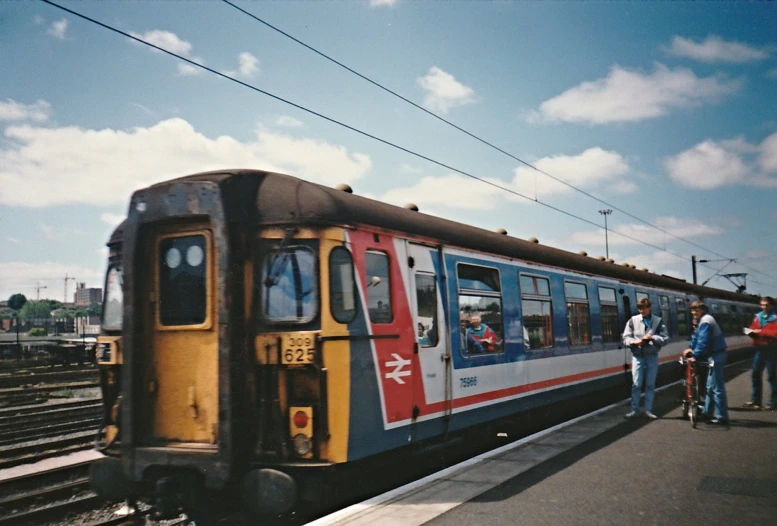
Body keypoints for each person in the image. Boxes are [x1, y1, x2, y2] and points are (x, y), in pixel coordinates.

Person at [683, 300, 728, 425]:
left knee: (716, 388)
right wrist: (691, 348)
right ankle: (707, 413)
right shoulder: (701, 321)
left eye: (696, 310)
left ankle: (721, 417)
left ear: (703, 309)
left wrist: (695, 355)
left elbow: (703, 341)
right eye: (692, 310)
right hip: (712, 355)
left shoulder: (706, 321)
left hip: (716, 355)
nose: (693, 312)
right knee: (710, 387)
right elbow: (696, 338)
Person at [622, 298, 669, 419]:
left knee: (650, 384)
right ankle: (634, 410)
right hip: (637, 356)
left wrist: (653, 338)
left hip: (652, 356)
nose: (641, 310)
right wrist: (634, 341)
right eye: (639, 308)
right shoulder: (632, 321)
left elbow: (665, 338)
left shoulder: (658, 321)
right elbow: (626, 337)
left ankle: (648, 410)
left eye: (644, 308)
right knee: (636, 384)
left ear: (649, 307)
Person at [743, 296, 777, 410]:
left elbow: (775, 334)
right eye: (762, 305)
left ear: (772, 305)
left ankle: (774, 402)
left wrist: (761, 332)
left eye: (766, 305)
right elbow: (753, 327)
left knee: (772, 376)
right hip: (759, 348)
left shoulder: (775, 317)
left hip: (772, 349)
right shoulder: (758, 317)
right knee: (756, 374)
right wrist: (750, 331)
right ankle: (756, 400)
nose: (764, 307)